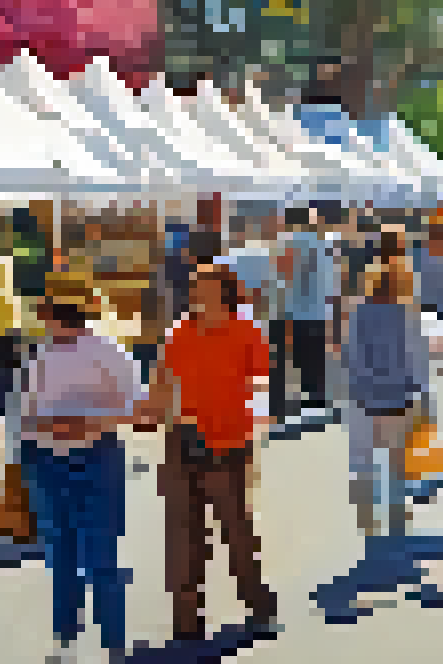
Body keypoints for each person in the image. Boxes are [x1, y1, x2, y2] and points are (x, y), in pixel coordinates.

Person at [20, 275, 144, 664]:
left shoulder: (107, 352)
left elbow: (141, 411)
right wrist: (46, 430)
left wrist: (87, 423)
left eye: (45, 311)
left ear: (59, 313)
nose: (41, 318)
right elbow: (26, 415)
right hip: (53, 459)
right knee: (66, 554)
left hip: (96, 457)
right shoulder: (42, 354)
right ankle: (71, 642)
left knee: (97, 555)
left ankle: (110, 645)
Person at [150, 265, 278, 644]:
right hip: (181, 441)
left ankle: (257, 604)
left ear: (225, 295)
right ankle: (187, 619)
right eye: (191, 290)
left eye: (202, 290)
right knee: (183, 531)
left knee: (235, 527)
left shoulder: (245, 332)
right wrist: (156, 415)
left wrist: (249, 425)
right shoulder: (179, 332)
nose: (194, 297)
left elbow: (260, 385)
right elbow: (161, 382)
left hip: (228, 444)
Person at [343, 232, 432, 539]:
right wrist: (421, 394)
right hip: (398, 396)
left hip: (365, 398)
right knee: (397, 459)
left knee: (363, 461)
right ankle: (397, 514)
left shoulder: (357, 312)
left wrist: (361, 384)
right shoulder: (406, 313)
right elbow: (415, 358)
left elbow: (352, 356)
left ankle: (366, 518)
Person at [278, 205, 337, 421]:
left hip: (299, 310)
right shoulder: (325, 244)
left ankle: (310, 399)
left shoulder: (294, 243)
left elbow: (286, 277)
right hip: (318, 310)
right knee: (315, 356)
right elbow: (330, 280)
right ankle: (317, 399)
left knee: (303, 356)